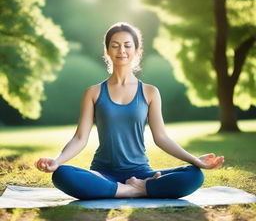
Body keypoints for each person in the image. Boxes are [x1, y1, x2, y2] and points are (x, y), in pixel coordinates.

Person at [35, 22, 224, 200]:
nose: (121, 50)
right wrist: (57, 160)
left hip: (141, 172)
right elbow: (80, 138)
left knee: (194, 176)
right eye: (115, 45)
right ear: (107, 50)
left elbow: (162, 138)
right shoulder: (93, 92)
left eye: (127, 45)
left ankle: (132, 188)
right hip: (103, 173)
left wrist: (195, 160)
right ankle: (136, 190)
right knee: (62, 174)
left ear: (136, 50)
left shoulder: (150, 92)